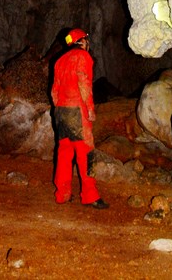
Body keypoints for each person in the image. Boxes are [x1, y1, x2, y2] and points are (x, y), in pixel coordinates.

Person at [51, 28, 109, 209]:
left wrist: (60, 108)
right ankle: (90, 195)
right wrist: (90, 109)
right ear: (82, 41)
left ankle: (62, 194)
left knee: (64, 152)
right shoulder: (83, 57)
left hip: (61, 110)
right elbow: (84, 84)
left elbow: (54, 91)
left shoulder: (60, 60)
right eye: (86, 40)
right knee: (86, 153)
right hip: (77, 109)